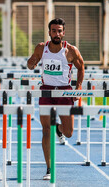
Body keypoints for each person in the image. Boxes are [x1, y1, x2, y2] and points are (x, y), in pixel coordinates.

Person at [27, 18, 84, 180]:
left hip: (65, 93)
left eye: (59, 31)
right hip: (46, 92)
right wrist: (31, 64)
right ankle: (49, 168)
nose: (57, 34)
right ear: (49, 32)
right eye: (54, 31)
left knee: (69, 132)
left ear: (63, 33)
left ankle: (59, 130)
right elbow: (31, 63)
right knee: (46, 130)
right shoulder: (41, 48)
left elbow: (81, 67)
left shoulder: (71, 50)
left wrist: (78, 87)